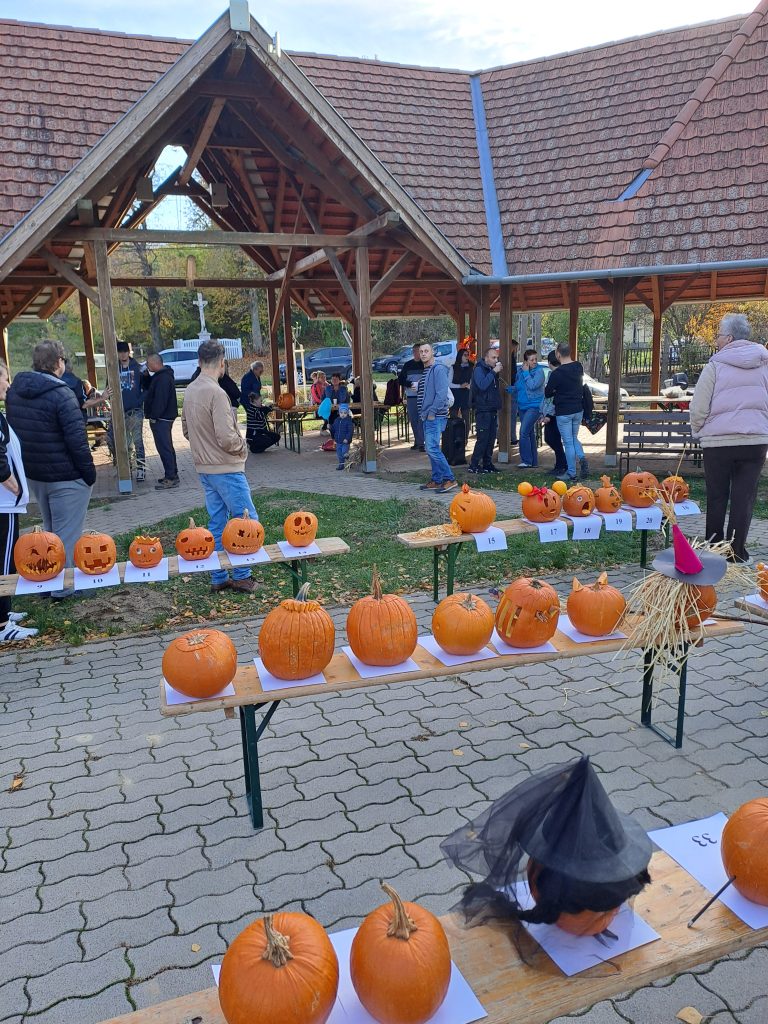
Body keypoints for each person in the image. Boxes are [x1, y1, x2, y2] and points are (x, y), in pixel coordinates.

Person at [6, 340, 96, 601]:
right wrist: (88, 474)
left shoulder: (15, 392)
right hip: (66, 476)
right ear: (58, 362)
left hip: (35, 473)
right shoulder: (62, 394)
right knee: (65, 534)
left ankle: (44, 580)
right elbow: (77, 441)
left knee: (48, 532)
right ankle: (62, 588)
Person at [182, 340, 260, 594]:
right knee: (246, 521)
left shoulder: (190, 390)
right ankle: (242, 575)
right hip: (226, 467)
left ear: (199, 361)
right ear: (222, 363)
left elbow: (186, 430)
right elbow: (227, 437)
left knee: (216, 523)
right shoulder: (216, 393)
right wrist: (242, 447)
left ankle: (218, 576)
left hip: (205, 468)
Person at [690, 312, 768, 563]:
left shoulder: (715, 366)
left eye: (719, 336)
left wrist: (698, 430)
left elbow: (699, 406)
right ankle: (737, 554)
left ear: (730, 338)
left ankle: (713, 551)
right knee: (744, 498)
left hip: (718, 443)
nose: (716, 340)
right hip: (755, 442)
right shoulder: (764, 364)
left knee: (717, 495)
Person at [0, 361, 37, 642]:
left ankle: (4, 611)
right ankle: (3, 626)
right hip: (3, 504)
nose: (8, 384)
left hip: (6, 503)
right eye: (4, 378)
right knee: (2, 563)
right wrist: (14, 489)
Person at [544, 341, 588, 481]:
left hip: (563, 411)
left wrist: (556, 390)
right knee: (574, 438)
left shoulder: (557, 373)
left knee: (568, 442)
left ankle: (571, 473)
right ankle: (582, 457)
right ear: (570, 352)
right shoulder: (578, 366)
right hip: (578, 409)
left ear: (558, 354)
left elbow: (547, 393)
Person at [104, 340, 146, 482]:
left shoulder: (138, 368)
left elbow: (147, 387)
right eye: (120, 352)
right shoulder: (113, 368)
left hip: (135, 410)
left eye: (125, 352)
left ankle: (141, 469)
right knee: (124, 442)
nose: (122, 355)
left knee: (138, 440)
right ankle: (127, 467)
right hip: (120, 411)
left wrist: (139, 400)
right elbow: (108, 387)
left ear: (129, 352)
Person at [417, 342, 456, 493]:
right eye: (421, 351)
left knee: (432, 448)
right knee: (431, 449)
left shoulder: (438, 369)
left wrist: (432, 412)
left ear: (432, 352)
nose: (423, 353)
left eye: (426, 351)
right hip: (427, 416)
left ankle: (449, 479)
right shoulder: (427, 370)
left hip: (435, 416)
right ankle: (437, 479)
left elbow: (441, 393)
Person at [143, 353, 179, 490]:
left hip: (162, 418)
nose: (147, 365)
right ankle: (172, 474)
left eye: (148, 363)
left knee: (164, 448)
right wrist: (147, 377)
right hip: (164, 417)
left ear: (155, 363)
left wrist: (154, 416)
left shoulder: (163, 378)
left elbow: (160, 400)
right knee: (167, 447)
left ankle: (171, 477)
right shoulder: (161, 376)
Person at [468, 346, 502, 475]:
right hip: (483, 409)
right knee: (483, 438)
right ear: (486, 358)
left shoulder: (490, 370)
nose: (496, 360)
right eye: (493, 357)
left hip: (492, 408)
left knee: (491, 438)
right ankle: (474, 464)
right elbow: (482, 385)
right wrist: (493, 372)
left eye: (497, 358)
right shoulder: (479, 369)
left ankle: (487, 464)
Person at [514, 348, 546, 468]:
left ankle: (526, 461)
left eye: (535, 359)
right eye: (532, 360)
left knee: (523, 432)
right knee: (529, 432)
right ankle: (533, 462)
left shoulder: (539, 372)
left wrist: (526, 373)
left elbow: (533, 385)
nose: (535, 362)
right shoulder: (521, 371)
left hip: (534, 406)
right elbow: (519, 386)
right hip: (522, 406)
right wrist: (513, 389)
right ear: (526, 361)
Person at [541, 350, 567, 475]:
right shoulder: (557, 373)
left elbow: (550, 396)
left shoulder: (555, 375)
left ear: (549, 362)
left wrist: (549, 414)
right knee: (552, 439)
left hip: (554, 412)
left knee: (553, 439)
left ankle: (561, 465)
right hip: (553, 411)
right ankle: (561, 464)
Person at [398, 344, 425, 451]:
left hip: (423, 396)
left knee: (421, 419)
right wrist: (410, 384)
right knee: (413, 419)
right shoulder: (407, 365)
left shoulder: (425, 365)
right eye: (414, 351)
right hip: (411, 396)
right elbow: (400, 380)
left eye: (418, 351)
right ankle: (417, 442)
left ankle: (421, 443)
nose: (416, 353)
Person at [450, 349, 473, 420]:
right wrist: (460, 386)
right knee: (453, 417)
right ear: (460, 356)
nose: (467, 357)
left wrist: (470, 386)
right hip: (455, 394)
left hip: (466, 394)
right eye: (465, 355)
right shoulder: (453, 367)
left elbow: (473, 380)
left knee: (466, 417)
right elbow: (449, 384)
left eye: (468, 355)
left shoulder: (471, 367)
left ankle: (466, 428)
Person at [331, 402, 354, 470]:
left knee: (344, 452)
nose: (343, 414)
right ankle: (341, 465)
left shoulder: (348, 421)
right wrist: (330, 427)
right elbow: (334, 429)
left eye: (345, 413)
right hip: (338, 441)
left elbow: (350, 431)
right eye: (341, 413)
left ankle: (348, 460)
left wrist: (347, 438)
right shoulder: (336, 420)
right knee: (339, 454)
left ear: (347, 413)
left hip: (345, 441)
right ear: (339, 413)